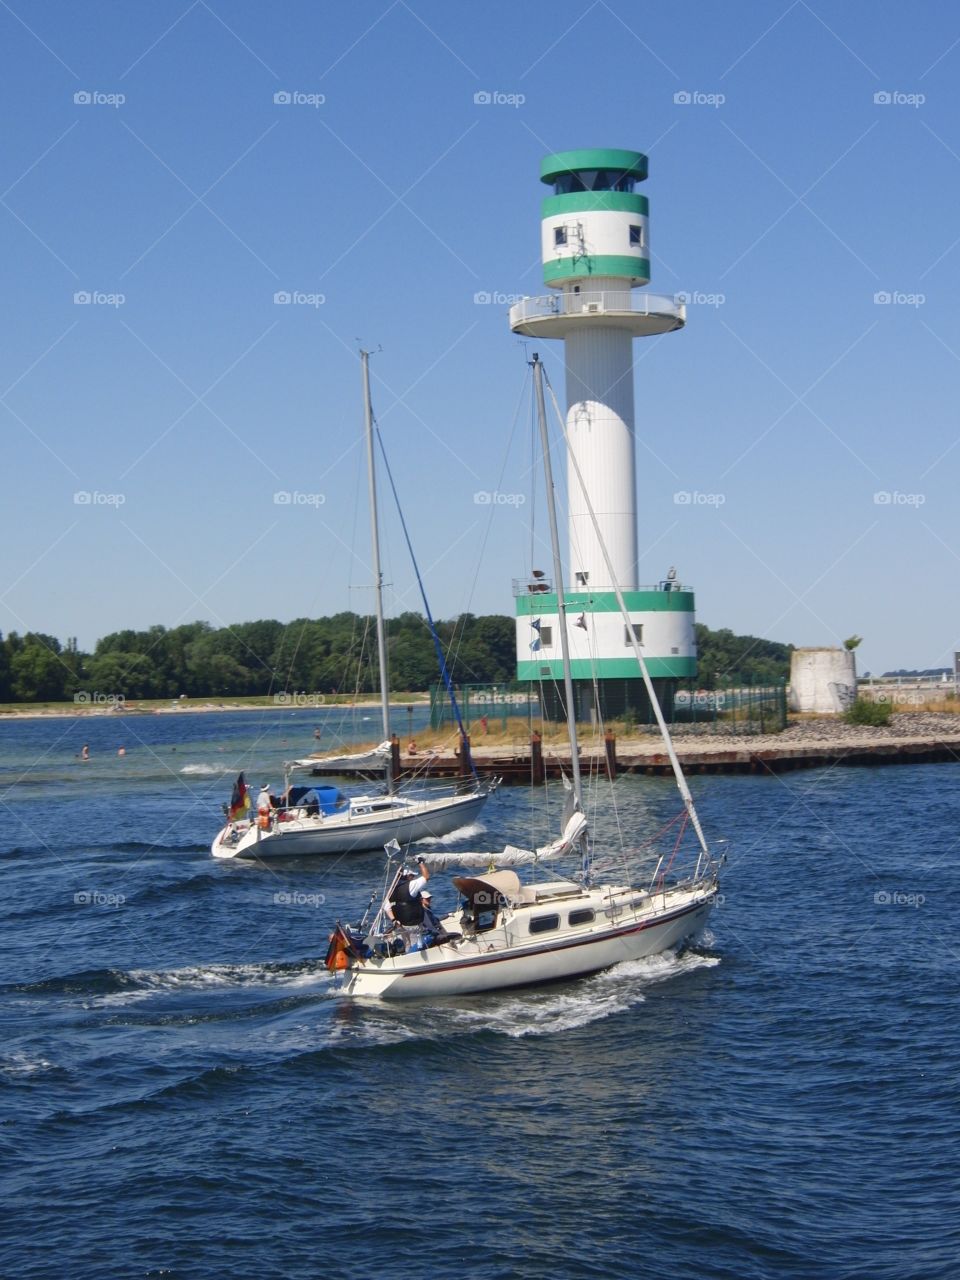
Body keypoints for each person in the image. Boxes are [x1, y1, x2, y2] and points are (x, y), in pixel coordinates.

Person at [386, 857, 430, 927]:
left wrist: (394, 920)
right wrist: (420, 862)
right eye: (412, 876)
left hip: (401, 925)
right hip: (413, 924)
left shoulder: (392, 889)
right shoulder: (411, 885)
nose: (414, 877)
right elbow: (426, 877)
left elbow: (387, 907)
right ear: (408, 876)